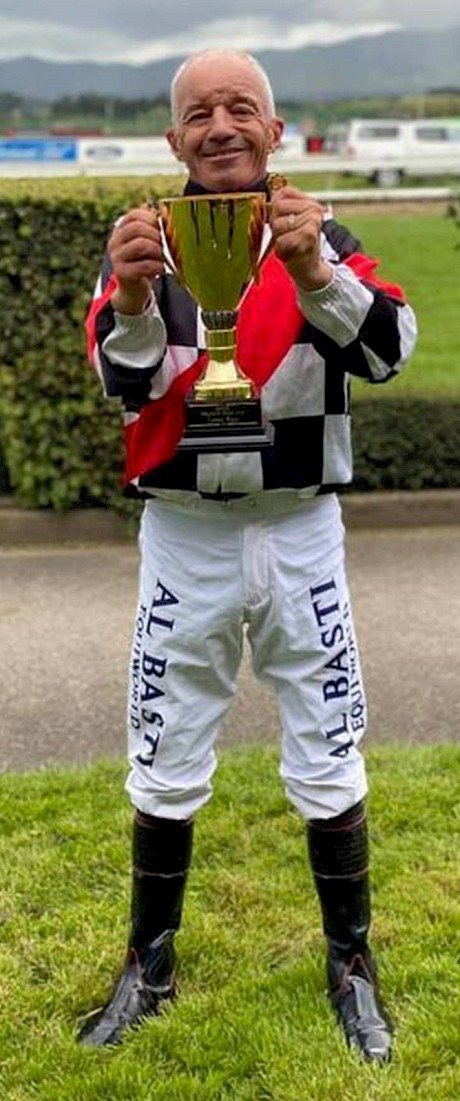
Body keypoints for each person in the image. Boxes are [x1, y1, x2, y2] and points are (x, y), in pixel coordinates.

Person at [79, 49, 417, 1059]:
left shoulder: (328, 238)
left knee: (328, 737)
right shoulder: (141, 246)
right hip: (185, 538)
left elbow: (389, 350)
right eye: (197, 113)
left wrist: (314, 270)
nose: (219, 125)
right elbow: (121, 381)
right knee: (163, 743)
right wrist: (136, 303)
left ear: (275, 133)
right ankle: (150, 961)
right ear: (172, 140)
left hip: (302, 528)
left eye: (241, 110)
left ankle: (351, 965)